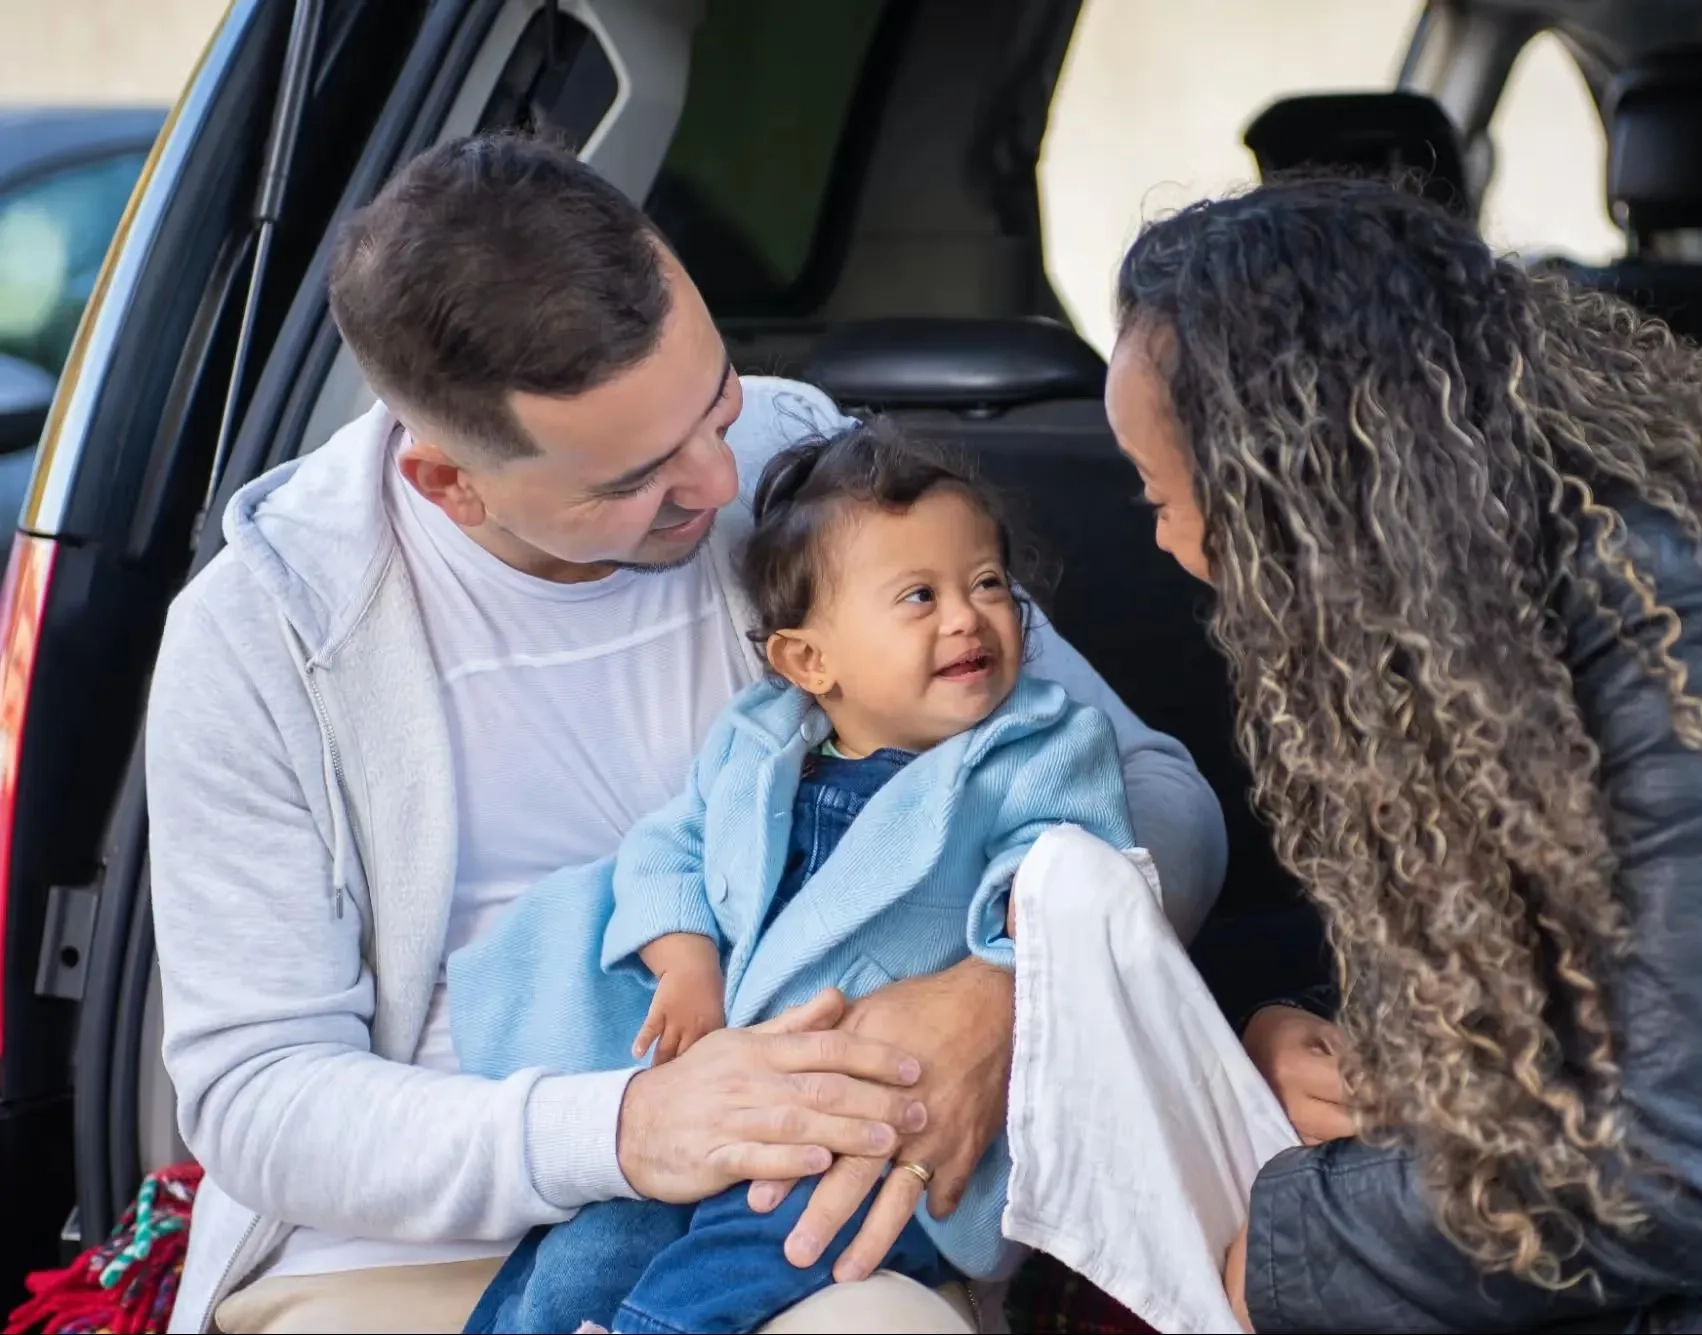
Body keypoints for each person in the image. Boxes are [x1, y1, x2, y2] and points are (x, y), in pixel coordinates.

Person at [146, 132, 1226, 1335]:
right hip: (400, 1249)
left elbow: (1148, 792)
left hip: (793, 1206)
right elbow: (257, 1095)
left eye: (717, 396)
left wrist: (1004, 1000)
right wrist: (625, 1128)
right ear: (451, 481)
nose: (720, 484)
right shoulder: (266, 634)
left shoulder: (803, 475)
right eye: (635, 481)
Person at [1104, 175, 1702, 1332]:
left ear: (1302, 487)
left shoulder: (1684, 644)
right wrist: (1328, 1036)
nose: (1168, 542)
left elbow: (1658, 1186)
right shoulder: (1472, 612)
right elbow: (1527, 971)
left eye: (1167, 498)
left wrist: (1289, 1245)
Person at [446, 422, 1133, 1334]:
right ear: (810, 661)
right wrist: (686, 958)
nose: (966, 616)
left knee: (766, 1238)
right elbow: (666, 851)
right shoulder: (759, 741)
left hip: (870, 1124)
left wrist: (1005, 956)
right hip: (720, 1095)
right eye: (917, 597)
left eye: (986, 584)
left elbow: (1073, 875)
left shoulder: (1036, 747)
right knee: (587, 1241)